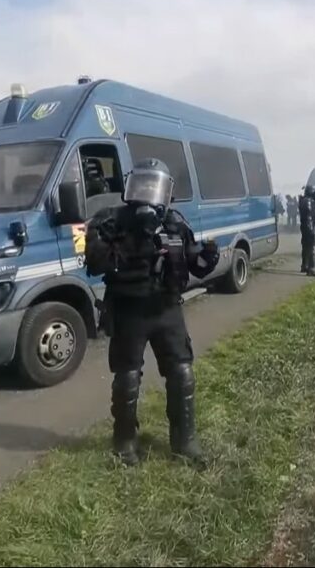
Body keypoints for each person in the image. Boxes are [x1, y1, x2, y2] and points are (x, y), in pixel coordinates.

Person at [84, 158, 220, 467]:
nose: (148, 193)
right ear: (131, 187)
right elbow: (93, 262)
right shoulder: (110, 221)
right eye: (143, 185)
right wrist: (99, 236)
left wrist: (210, 256)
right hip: (128, 309)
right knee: (127, 376)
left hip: (166, 308)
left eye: (153, 186)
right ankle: (123, 443)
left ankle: (184, 443)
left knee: (182, 372)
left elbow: (194, 264)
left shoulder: (173, 223)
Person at [298, 185, 315, 276]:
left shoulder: (304, 200)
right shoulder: (308, 202)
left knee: (305, 247)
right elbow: (310, 215)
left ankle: (304, 265)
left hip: (305, 227)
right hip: (308, 227)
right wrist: (311, 229)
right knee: (312, 247)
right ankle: (311, 268)